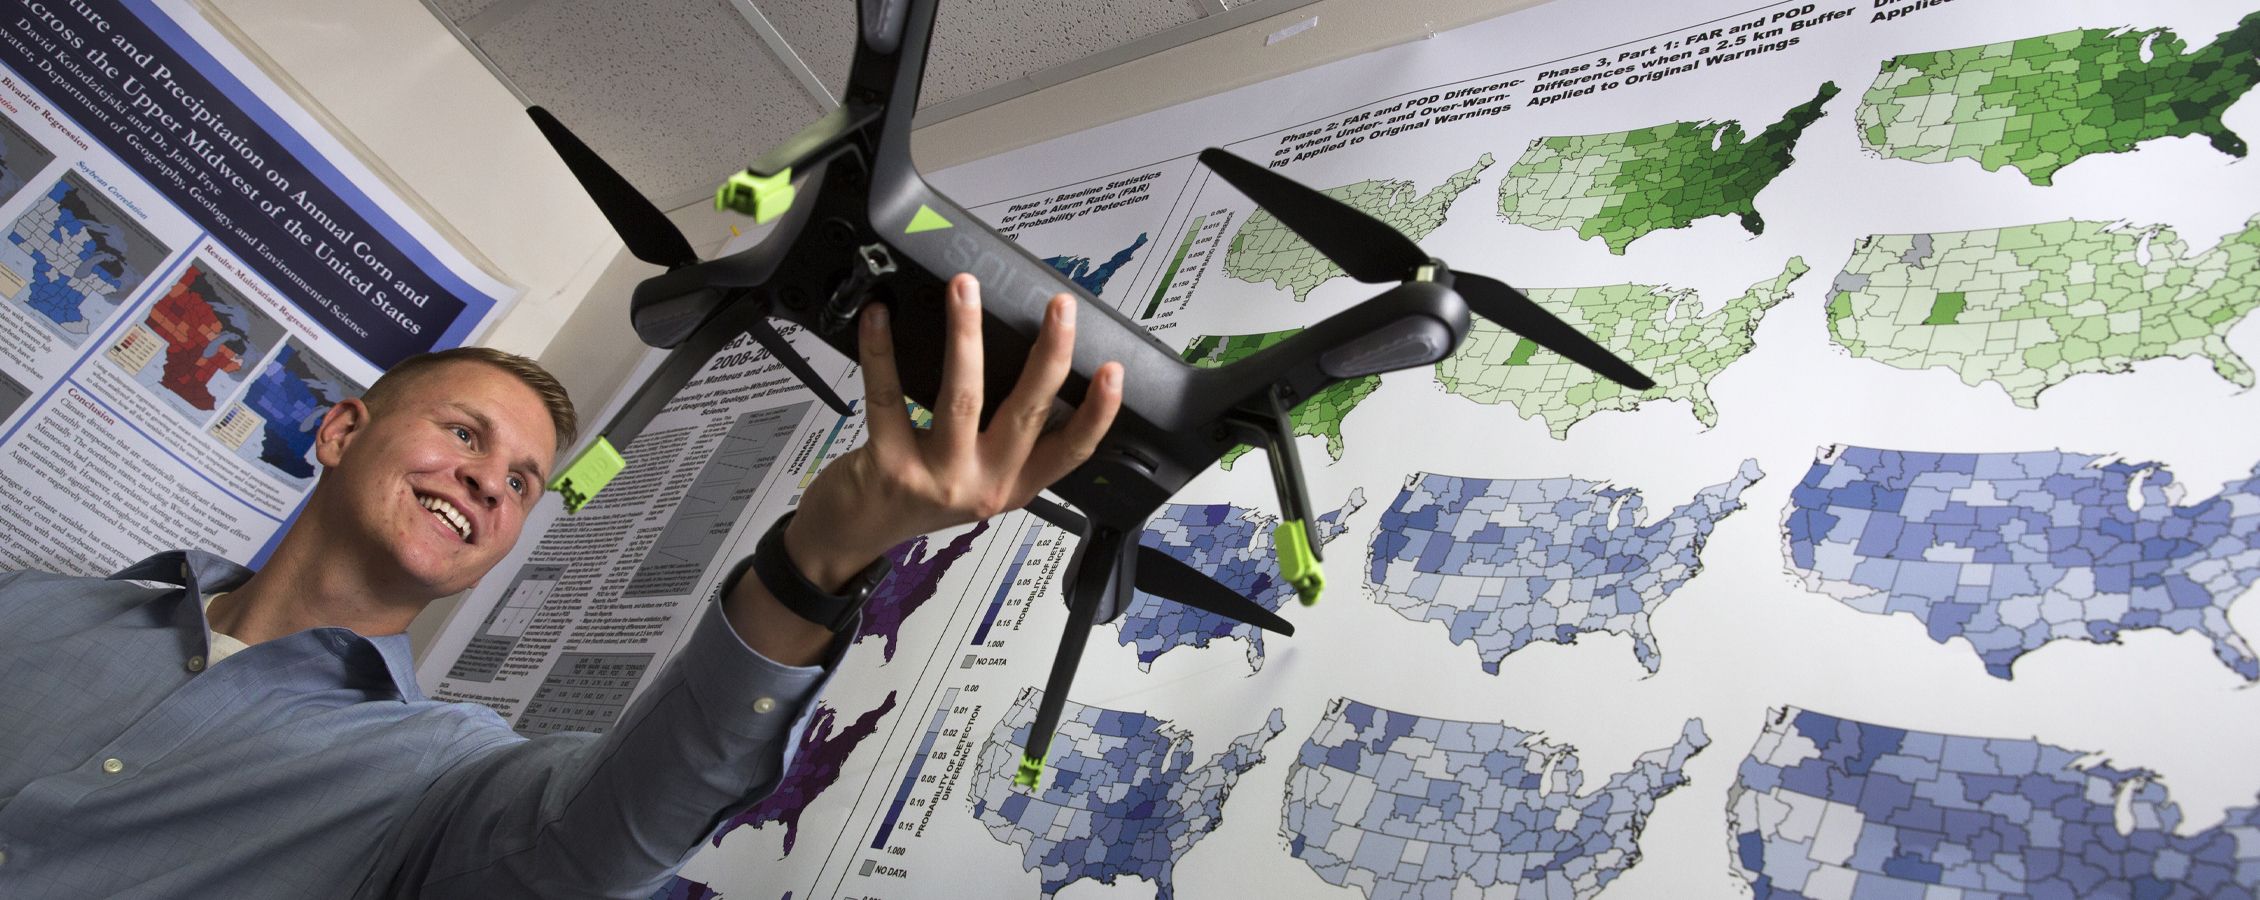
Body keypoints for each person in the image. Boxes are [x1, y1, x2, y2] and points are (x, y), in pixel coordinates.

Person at [0, 274, 1123, 899]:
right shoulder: (35, 612)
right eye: (461, 432)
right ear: (342, 431)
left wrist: (814, 560)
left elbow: (606, 836)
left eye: (524, 479)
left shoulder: (436, 778)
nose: (491, 477)